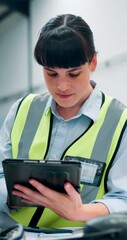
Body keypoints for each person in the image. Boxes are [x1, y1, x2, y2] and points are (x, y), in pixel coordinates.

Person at [0, 13, 127, 229]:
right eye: (51, 74)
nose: (62, 86)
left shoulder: (120, 121)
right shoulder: (22, 109)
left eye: (74, 74)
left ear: (93, 62)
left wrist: (78, 211)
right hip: (14, 233)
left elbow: (123, 199)